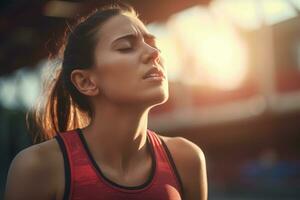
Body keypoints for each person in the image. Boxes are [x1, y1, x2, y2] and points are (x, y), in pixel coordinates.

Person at [4, 4, 207, 200]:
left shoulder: (186, 160)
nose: (154, 53)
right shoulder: (39, 167)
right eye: (126, 47)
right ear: (86, 82)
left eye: (152, 44)